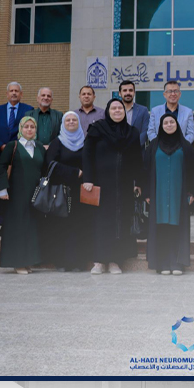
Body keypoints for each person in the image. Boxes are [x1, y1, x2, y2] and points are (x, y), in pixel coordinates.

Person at [83, 99, 143, 275]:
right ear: (108, 111)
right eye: (114, 108)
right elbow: (87, 154)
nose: (117, 111)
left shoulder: (132, 132)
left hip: (123, 185)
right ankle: (99, 261)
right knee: (101, 223)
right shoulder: (97, 129)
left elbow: (136, 159)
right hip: (101, 184)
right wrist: (88, 178)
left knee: (120, 222)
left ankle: (115, 261)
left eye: (120, 108)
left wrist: (138, 182)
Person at [143, 114, 194, 275]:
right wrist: (147, 193)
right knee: (161, 227)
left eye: (171, 122)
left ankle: (177, 262)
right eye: (165, 122)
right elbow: (146, 170)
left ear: (177, 124)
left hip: (178, 195)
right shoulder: (153, 146)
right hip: (158, 195)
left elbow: (193, 171)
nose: (168, 125)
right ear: (161, 126)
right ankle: (163, 263)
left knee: (177, 226)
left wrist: (192, 193)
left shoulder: (185, 146)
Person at [42, 112, 94, 272]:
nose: (71, 122)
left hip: (81, 192)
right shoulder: (57, 142)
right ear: (63, 124)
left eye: (74, 120)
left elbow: (91, 163)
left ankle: (79, 262)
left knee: (79, 226)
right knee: (62, 227)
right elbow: (49, 164)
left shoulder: (85, 142)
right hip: (61, 192)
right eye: (68, 120)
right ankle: (63, 262)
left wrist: (86, 177)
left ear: (78, 123)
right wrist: (74, 172)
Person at [0, 116, 44, 274]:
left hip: (35, 194)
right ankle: (18, 263)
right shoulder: (13, 146)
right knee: (17, 227)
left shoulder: (39, 147)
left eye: (32, 127)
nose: (29, 129)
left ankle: (28, 261)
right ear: (20, 129)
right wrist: (2, 188)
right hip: (16, 194)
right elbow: (2, 167)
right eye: (26, 126)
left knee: (31, 227)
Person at [0, 82, 32, 235]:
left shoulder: (28, 110)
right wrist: (1, 145)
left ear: (21, 94)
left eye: (16, 91)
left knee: (17, 190)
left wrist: (15, 147)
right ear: (6, 94)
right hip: (0, 155)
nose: (14, 93)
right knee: (1, 189)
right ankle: (3, 225)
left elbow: (29, 130)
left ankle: (17, 224)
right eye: (11, 91)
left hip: (19, 155)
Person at [118, 80, 150, 145]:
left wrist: (134, 146)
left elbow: (145, 131)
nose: (128, 93)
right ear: (120, 93)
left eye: (130, 90)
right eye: (125, 90)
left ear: (134, 92)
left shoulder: (143, 110)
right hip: (117, 149)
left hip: (137, 149)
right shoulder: (114, 110)